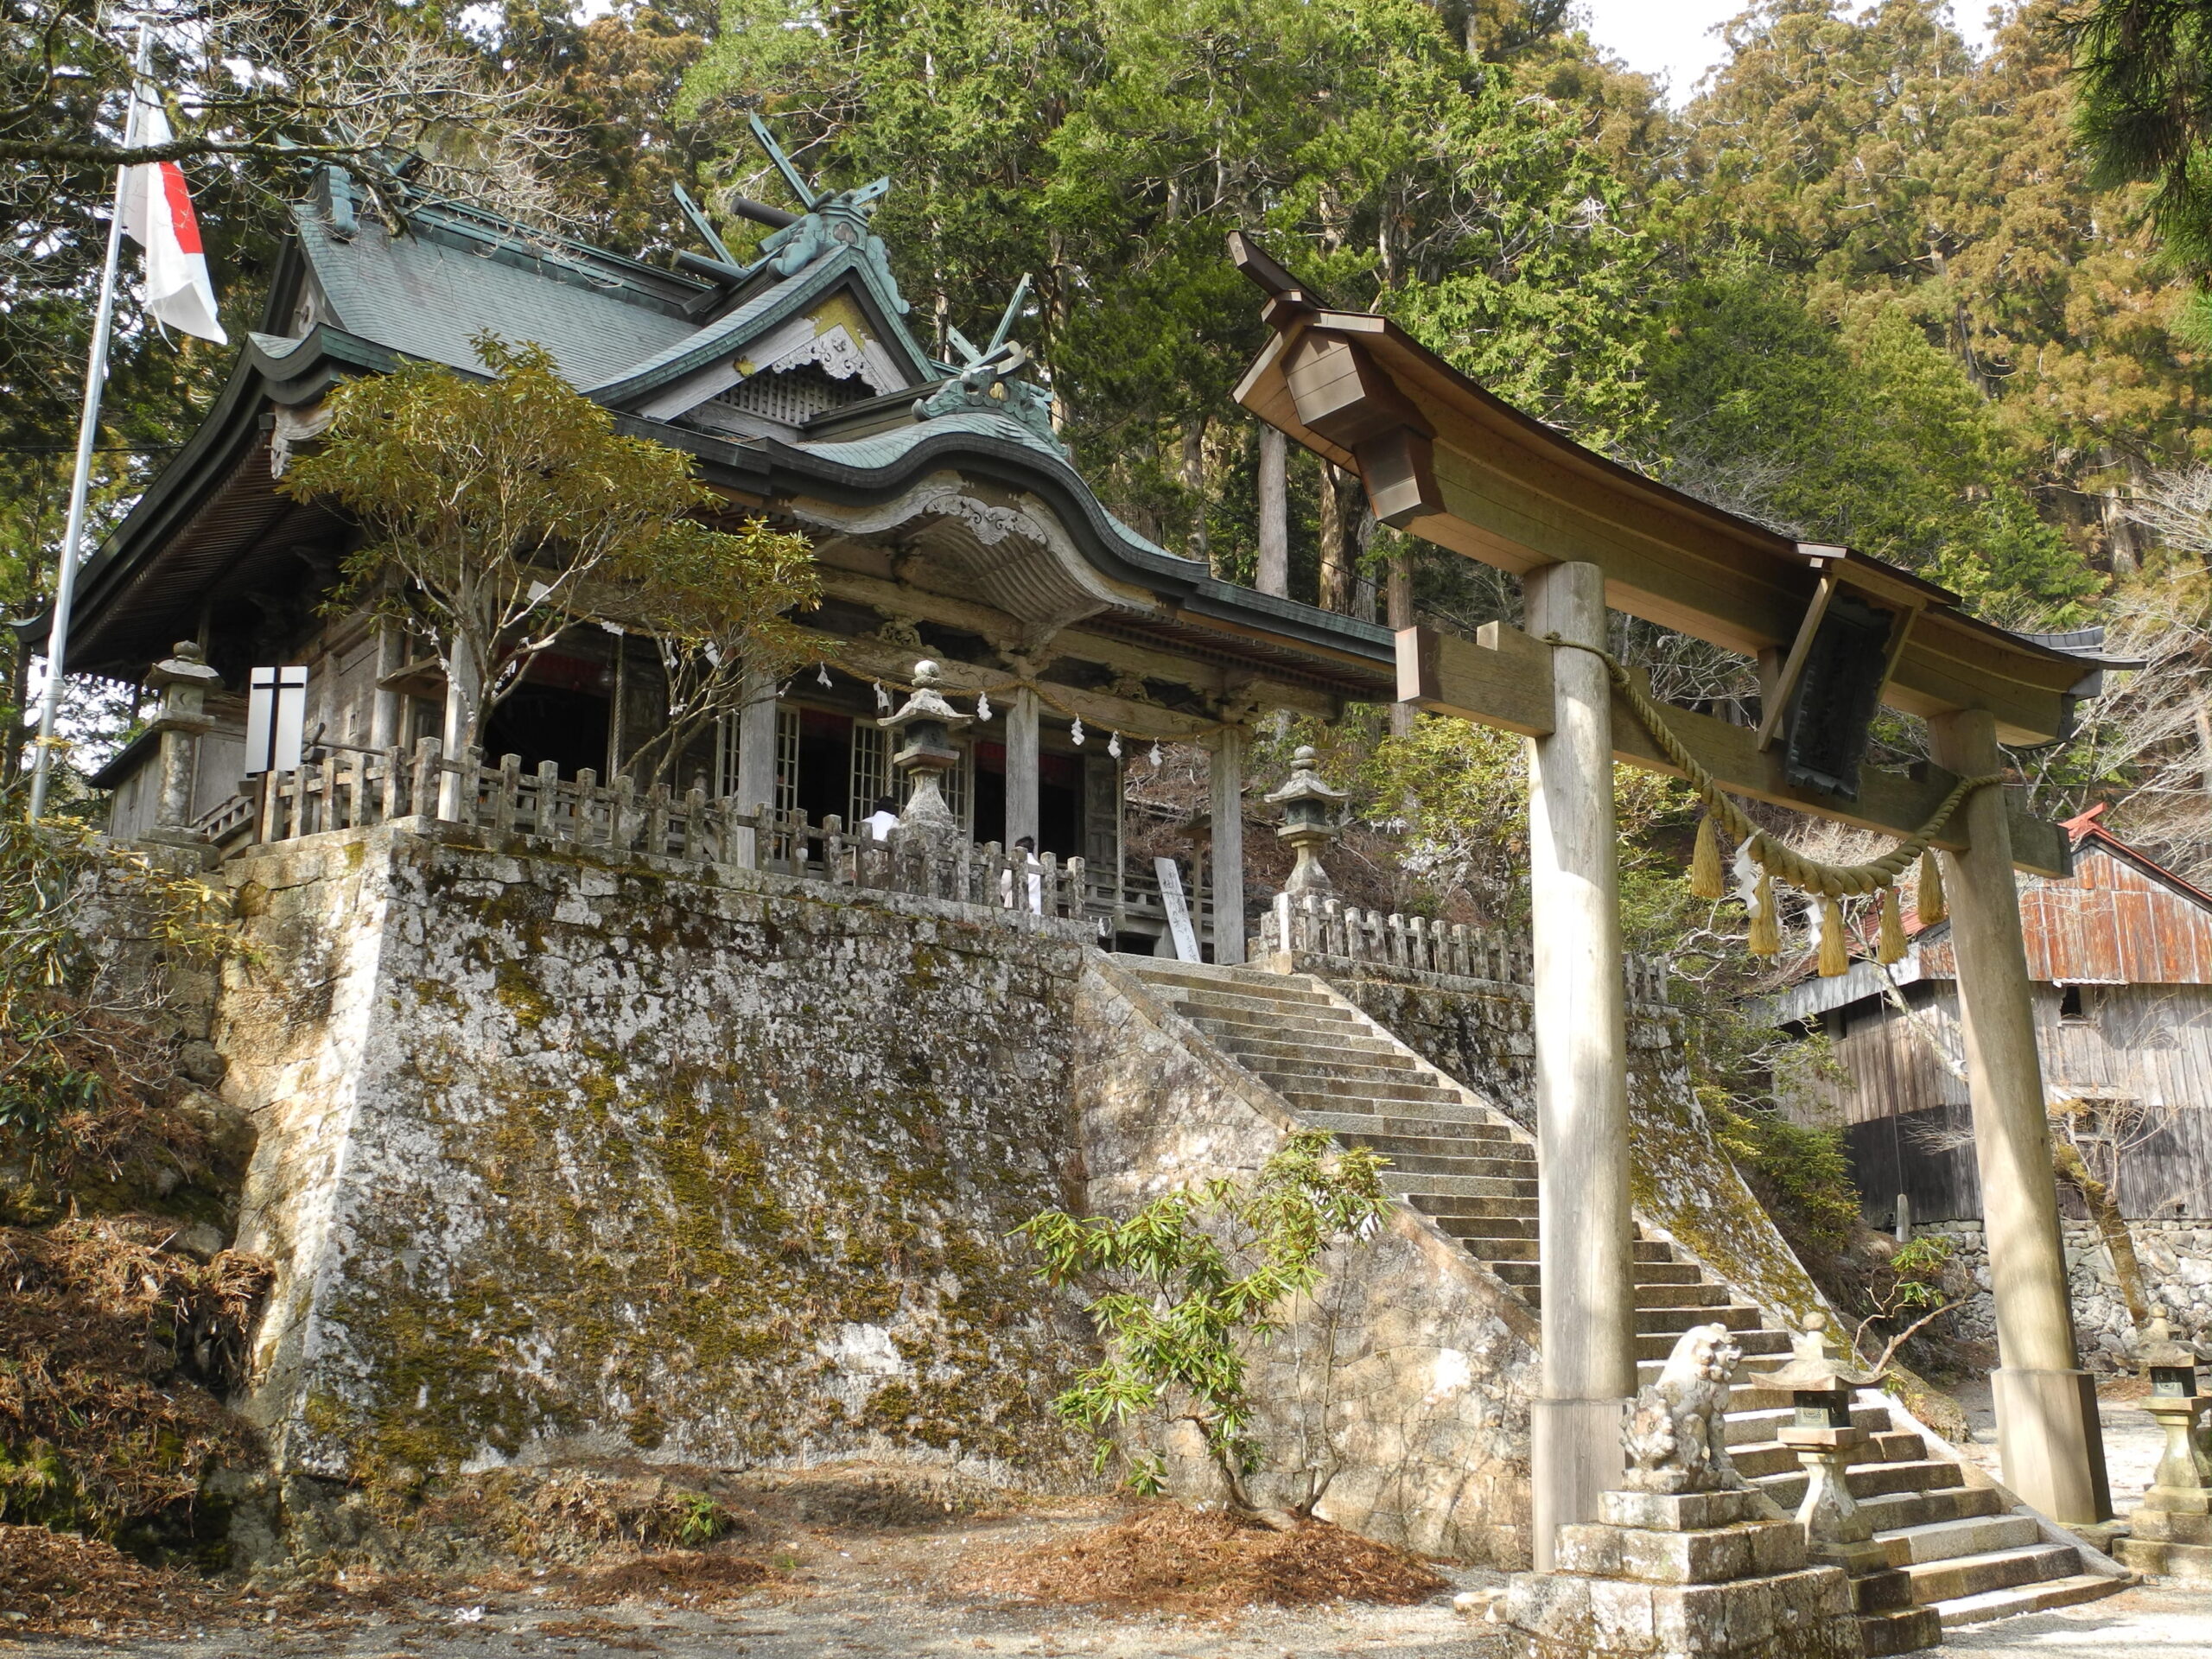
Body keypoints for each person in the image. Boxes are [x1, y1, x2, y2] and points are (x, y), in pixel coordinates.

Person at [1001, 834, 1043, 914]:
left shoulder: (1013, 860)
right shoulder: (1038, 866)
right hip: (1035, 908)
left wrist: (1003, 895)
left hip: (1015, 905)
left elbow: (1006, 882)